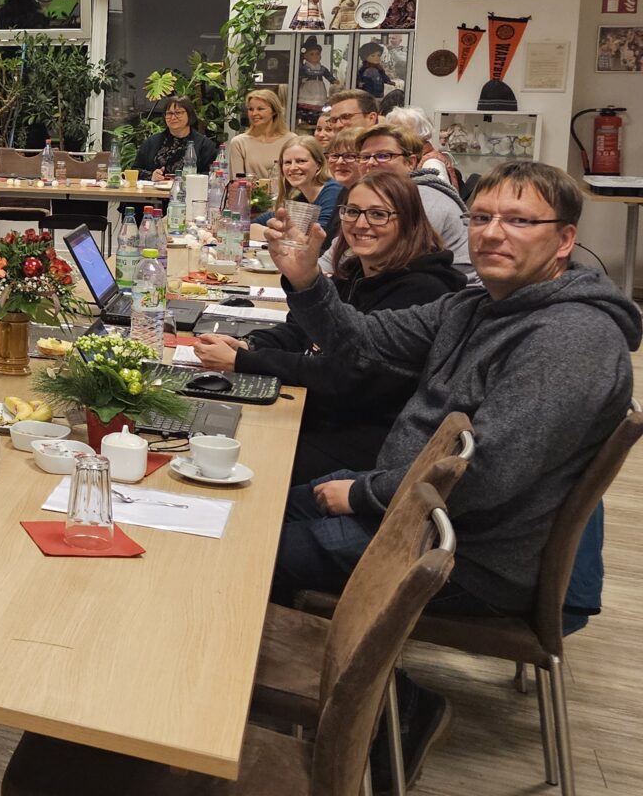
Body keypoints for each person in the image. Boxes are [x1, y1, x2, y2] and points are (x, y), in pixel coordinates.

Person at [266, 162, 639, 751]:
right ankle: (302, 693)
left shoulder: (570, 340)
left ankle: (394, 711)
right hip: (414, 510)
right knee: (254, 516)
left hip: (467, 553)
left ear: (564, 239)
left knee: (262, 556)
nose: (493, 233)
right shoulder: (475, 306)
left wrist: (362, 493)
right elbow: (364, 342)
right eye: (482, 217)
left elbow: (483, 478)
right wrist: (308, 280)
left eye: (519, 221)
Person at [196, 170, 460, 483]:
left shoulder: (424, 290)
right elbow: (302, 329)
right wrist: (250, 344)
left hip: (364, 441)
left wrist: (244, 361)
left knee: (246, 461)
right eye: (352, 211)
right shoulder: (357, 270)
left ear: (409, 220)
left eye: (378, 214)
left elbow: (345, 376)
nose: (361, 224)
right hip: (325, 414)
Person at [356, 124, 471, 278]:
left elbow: (389, 258)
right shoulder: (378, 195)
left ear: (410, 163)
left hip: (452, 288)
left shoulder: (423, 198)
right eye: (364, 157)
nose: (370, 163)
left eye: (383, 155)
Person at [270, 134, 343, 238]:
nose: (293, 168)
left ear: (318, 164)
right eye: (287, 162)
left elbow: (319, 239)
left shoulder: (332, 192)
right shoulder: (302, 198)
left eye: (301, 161)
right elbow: (256, 222)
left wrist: (278, 233)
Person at [135, 96, 218, 181]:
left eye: (178, 113)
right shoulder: (151, 142)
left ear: (189, 115)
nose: (173, 117)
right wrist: (151, 176)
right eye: (169, 113)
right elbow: (135, 170)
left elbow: (211, 174)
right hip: (156, 189)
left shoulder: (205, 145)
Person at [383, 106, 461, 190]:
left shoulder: (432, 163)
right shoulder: (409, 156)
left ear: (418, 133)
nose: (390, 137)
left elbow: (436, 196)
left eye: (397, 132)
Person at [226, 89, 291, 181]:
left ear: (274, 111)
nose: (254, 113)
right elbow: (237, 182)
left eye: (260, 109)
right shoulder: (239, 142)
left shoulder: (291, 141)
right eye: (250, 109)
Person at [296, 39, 337, 126]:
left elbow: (328, 75)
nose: (315, 56)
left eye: (317, 54)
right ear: (305, 56)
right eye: (312, 54)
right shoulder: (304, 68)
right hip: (308, 89)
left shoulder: (322, 68)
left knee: (320, 103)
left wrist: (333, 80)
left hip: (319, 88)